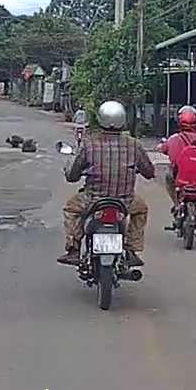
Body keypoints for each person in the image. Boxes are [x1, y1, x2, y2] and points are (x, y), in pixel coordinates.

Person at [60, 100, 155, 266]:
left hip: (92, 201)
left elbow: (73, 176)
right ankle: (131, 249)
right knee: (141, 210)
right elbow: (149, 172)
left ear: (100, 119)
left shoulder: (89, 144)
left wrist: (71, 172)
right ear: (123, 120)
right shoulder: (134, 145)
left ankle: (74, 249)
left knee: (71, 209)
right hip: (125, 202)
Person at [158, 105, 196, 215]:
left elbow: (163, 149)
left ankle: (176, 203)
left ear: (179, 121)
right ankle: (195, 197)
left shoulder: (173, 139)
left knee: (168, 175)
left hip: (178, 175)